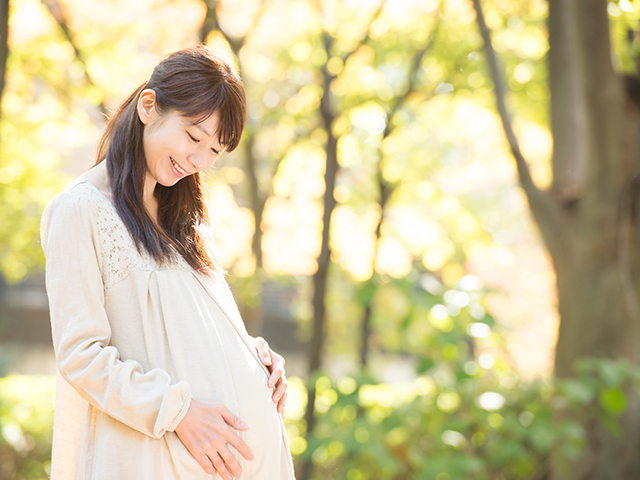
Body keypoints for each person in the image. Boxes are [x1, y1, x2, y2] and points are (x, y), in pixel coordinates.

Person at [40, 45, 295, 480]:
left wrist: (249, 350)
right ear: (148, 106)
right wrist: (179, 412)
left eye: (216, 150)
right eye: (195, 137)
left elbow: (179, 328)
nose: (200, 161)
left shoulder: (183, 217)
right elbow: (81, 356)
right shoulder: (79, 210)